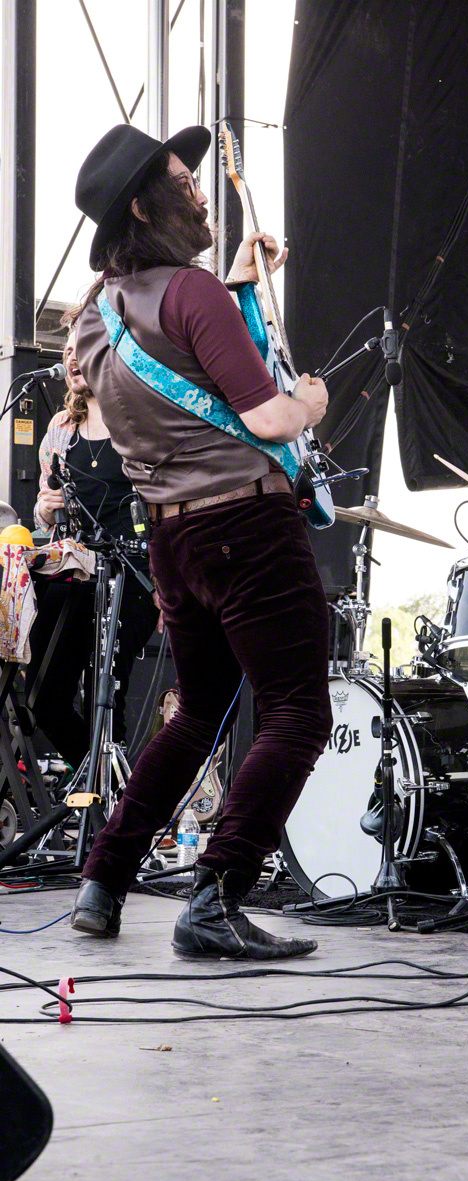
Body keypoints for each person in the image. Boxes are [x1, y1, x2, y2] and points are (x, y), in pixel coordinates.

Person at [68, 123, 332, 960]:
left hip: (173, 538)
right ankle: (217, 895)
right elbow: (268, 418)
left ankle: (103, 881)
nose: (201, 195)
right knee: (297, 713)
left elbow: (168, 373)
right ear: (146, 208)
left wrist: (238, 286)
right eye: (183, 185)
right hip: (248, 527)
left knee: (197, 716)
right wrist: (311, 403)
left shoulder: (93, 318)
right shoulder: (193, 292)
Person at [27, 333, 159, 769]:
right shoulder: (60, 428)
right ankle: (104, 785)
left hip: (132, 576)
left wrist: (169, 584)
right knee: (43, 697)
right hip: (73, 573)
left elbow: (168, 508)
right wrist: (44, 508)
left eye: (80, 346)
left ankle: (109, 797)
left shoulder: (140, 423)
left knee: (105, 697)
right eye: (66, 349)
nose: (70, 355)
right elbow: (44, 512)